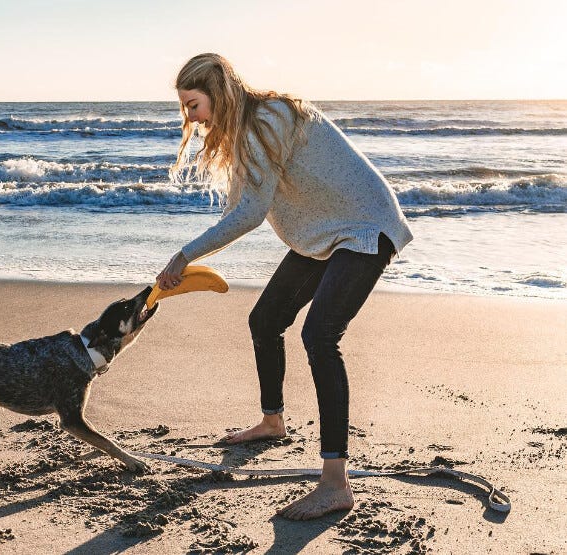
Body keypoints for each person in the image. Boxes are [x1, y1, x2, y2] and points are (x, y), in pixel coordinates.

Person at [156, 53, 413, 520]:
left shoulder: (269, 118)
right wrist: (188, 254)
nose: (191, 118)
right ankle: (272, 422)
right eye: (186, 109)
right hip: (323, 235)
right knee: (266, 320)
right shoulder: (242, 133)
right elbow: (239, 210)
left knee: (319, 336)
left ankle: (336, 483)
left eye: (194, 104)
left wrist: (184, 255)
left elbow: (251, 215)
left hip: (363, 228)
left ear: (218, 92)